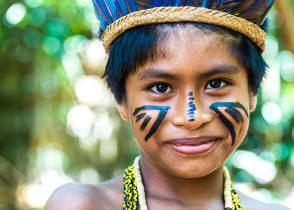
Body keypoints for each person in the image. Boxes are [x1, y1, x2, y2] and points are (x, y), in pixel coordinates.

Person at [44, 1, 290, 209]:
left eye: (216, 84)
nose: (191, 117)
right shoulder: (82, 205)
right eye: (160, 88)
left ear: (252, 89)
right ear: (120, 98)